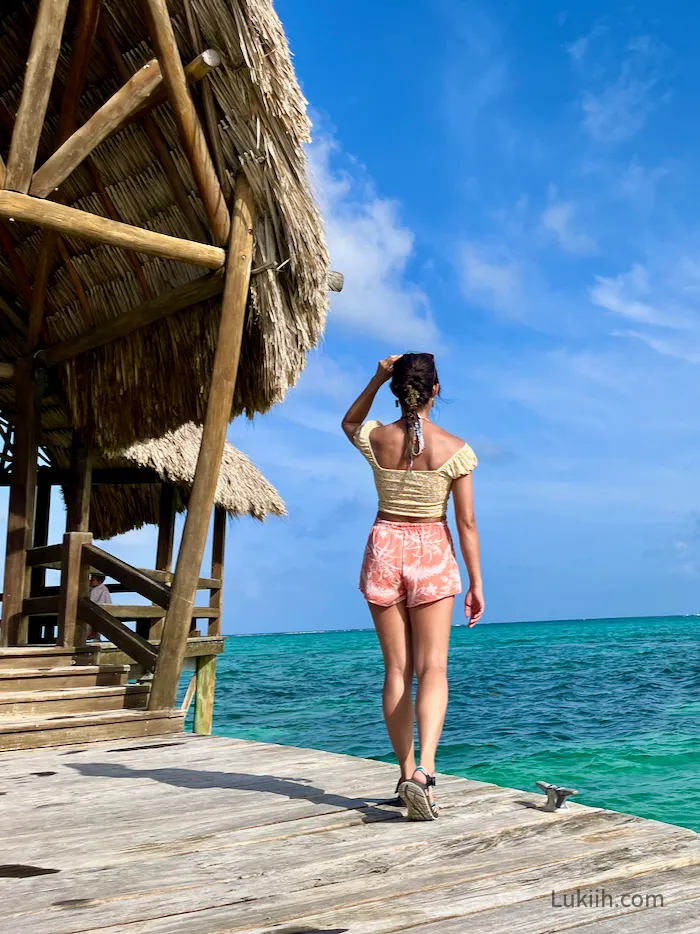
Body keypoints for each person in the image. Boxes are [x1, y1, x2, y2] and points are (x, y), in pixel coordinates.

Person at [342, 352, 484, 821]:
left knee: (397, 671)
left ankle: (405, 772)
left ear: (395, 390)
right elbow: (465, 522)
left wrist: (376, 374)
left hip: (384, 547)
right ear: (436, 391)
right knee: (434, 668)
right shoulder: (455, 449)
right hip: (432, 552)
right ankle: (425, 770)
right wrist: (477, 582)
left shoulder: (379, 437)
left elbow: (349, 422)